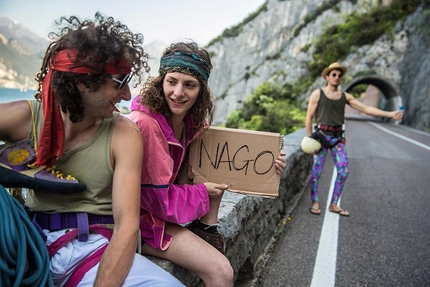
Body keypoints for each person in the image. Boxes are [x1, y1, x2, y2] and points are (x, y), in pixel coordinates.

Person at [0, 13, 184, 286]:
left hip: (92, 250)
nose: (127, 95)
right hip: (27, 244)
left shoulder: (123, 135)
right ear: (83, 83)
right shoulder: (27, 118)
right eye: (119, 83)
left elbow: (126, 228)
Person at [128, 41, 286, 286]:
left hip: (162, 216)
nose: (178, 92)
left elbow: (223, 165)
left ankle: (206, 228)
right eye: (172, 81)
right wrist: (202, 193)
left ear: (201, 90)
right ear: (161, 81)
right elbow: (155, 200)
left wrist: (268, 167)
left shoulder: (194, 124)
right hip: (140, 220)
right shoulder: (146, 124)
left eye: (189, 85)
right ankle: (205, 230)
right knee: (221, 272)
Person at [305, 62, 404, 217]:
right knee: (316, 173)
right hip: (321, 137)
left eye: (339, 75)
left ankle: (334, 204)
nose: (337, 78)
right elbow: (309, 117)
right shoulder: (318, 94)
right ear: (327, 77)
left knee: (344, 171)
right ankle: (315, 202)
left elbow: (366, 109)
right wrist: (310, 137)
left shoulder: (345, 96)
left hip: (337, 138)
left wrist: (390, 114)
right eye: (333, 75)